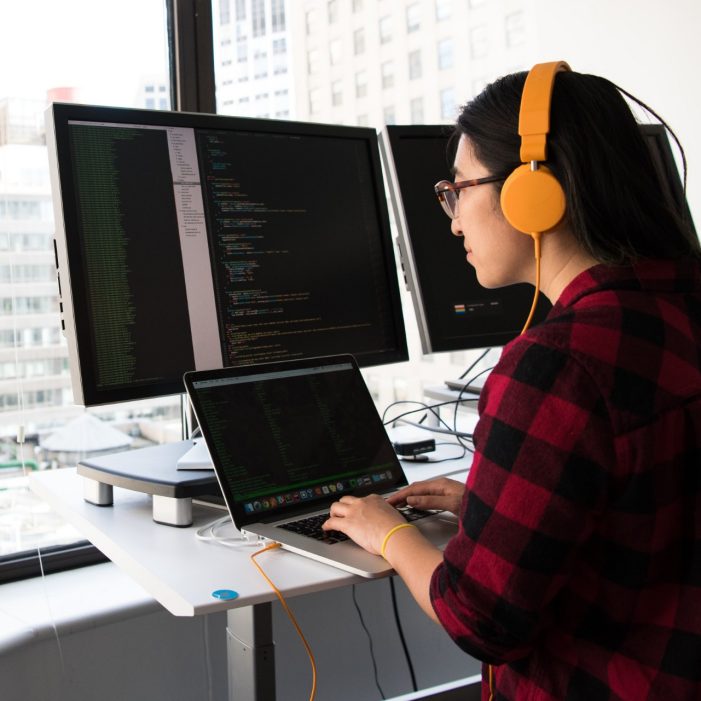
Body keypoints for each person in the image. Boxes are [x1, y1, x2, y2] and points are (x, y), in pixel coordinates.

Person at [323, 62, 701, 700]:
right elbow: (650, 516)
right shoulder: (680, 307)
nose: (453, 221)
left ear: (533, 192)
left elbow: (481, 618)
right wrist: (490, 510)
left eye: (457, 190)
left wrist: (388, 531)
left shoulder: (556, 366)